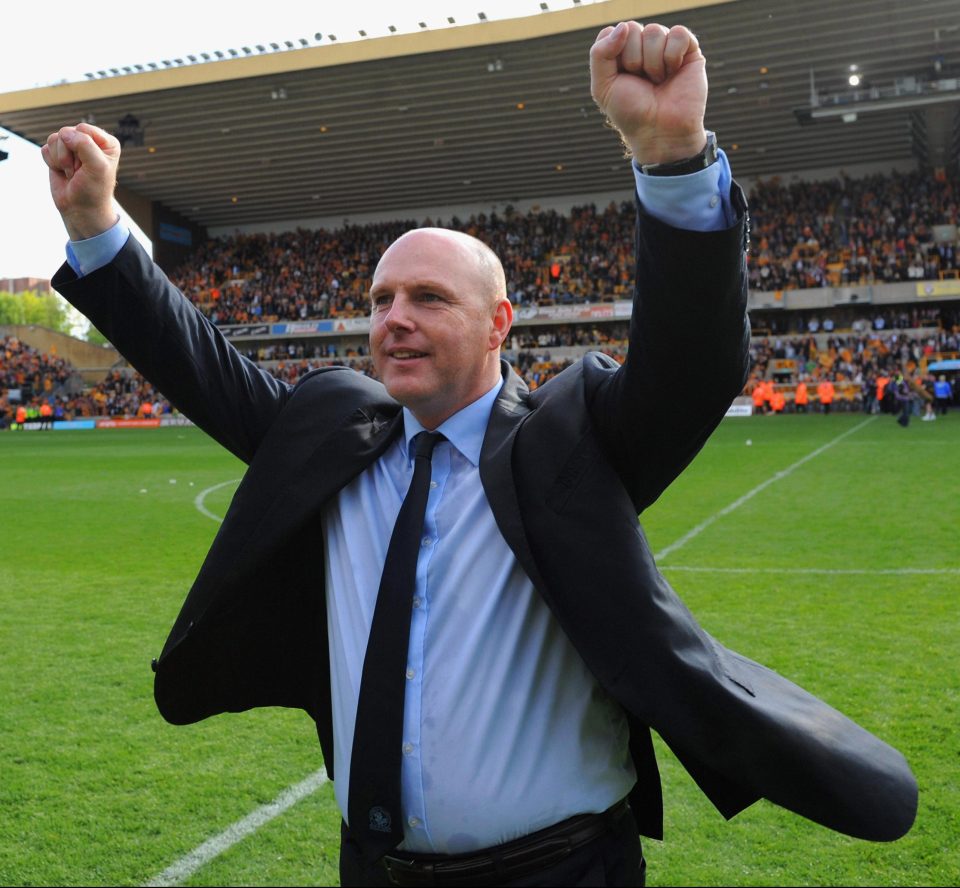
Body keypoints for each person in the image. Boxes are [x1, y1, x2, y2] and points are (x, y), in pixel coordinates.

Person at [43, 20, 916, 888]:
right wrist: (98, 223)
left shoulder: (571, 442)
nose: (395, 318)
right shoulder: (329, 432)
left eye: (428, 298)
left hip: (562, 873)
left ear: (501, 323)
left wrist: (672, 156)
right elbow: (202, 365)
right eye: (381, 299)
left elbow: (691, 366)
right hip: (372, 869)